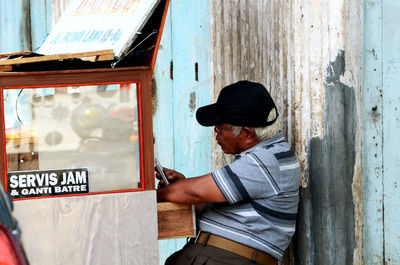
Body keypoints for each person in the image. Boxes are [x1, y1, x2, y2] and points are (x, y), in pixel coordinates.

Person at [156, 80, 301, 265]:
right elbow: (207, 201)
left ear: (247, 134)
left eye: (219, 129)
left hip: (224, 258)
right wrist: (183, 188)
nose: (216, 136)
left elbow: (195, 191)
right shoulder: (270, 154)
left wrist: (150, 197)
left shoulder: (265, 161)